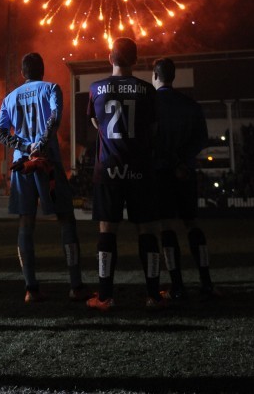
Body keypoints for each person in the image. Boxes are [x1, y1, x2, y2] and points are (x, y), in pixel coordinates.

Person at [0, 52, 88, 303]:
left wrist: (25, 148)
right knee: (66, 219)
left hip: (22, 165)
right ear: (42, 69)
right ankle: (76, 285)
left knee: (26, 223)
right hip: (48, 163)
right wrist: (41, 145)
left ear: (22, 72)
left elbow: (0, 133)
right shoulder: (52, 88)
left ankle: (31, 289)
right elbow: (54, 118)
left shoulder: (9, 98)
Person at [86, 37, 166, 310]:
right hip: (140, 169)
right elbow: (154, 130)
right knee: (147, 230)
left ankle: (105, 296)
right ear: (135, 60)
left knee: (107, 230)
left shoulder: (96, 88)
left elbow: (97, 123)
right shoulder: (147, 90)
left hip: (108, 169)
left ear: (111, 58)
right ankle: (154, 295)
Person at [151, 58, 222, 300]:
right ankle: (206, 281)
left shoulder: (151, 105)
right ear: (174, 76)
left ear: (155, 75)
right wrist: (182, 161)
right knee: (192, 223)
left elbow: (149, 140)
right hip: (185, 173)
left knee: (166, 226)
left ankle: (177, 285)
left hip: (160, 173)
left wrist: (168, 161)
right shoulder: (190, 105)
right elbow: (202, 139)